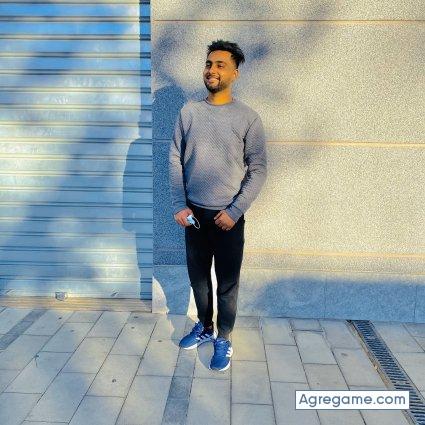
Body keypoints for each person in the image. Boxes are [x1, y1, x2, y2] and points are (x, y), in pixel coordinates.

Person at [168, 39, 267, 371]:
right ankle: (204, 326)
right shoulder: (189, 113)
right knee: (198, 279)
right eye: (209, 64)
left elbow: (258, 169)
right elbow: (175, 160)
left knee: (227, 283)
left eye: (220, 65)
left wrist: (235, 211)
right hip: (193, 216)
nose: (212, 70)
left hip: (228, 217)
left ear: (235, 73)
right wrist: (179, 204)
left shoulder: (248, 118)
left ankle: (223, 337)